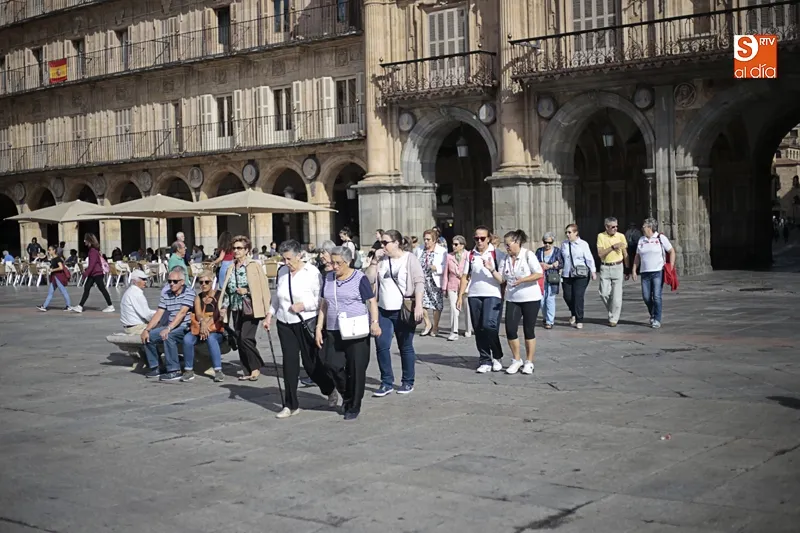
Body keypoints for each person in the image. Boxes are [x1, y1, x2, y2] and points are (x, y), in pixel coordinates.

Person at [265, 240, 338, 418]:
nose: (286, 262)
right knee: (289, 364)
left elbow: (320, 300)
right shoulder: (282, 271)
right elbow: (277, 296)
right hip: (285, 322)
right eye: (284, 259)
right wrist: (269, 315)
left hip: (305, 321)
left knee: (311, 364)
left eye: (289, 259)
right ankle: (290, 405)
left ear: (299, 255)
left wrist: (303, 306)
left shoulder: (311, 272)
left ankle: (329, 388)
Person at [315, 246, 380, 420]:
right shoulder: (327, 278)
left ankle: (354, 405)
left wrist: (375, 323)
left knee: (356, 368)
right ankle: (347, 394)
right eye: (332, 262)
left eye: (338, 263)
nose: (334, 266)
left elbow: (372, 301)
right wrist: (318, 328)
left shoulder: (359, 278)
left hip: (355, 329)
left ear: (348, 261)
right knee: (330, 364)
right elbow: (324, 304)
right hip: (333, 329)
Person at [365, 229, 424, 397]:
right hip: (383, 310)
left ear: (396, 243)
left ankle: (407, 381)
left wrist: (418, 305)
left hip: (403, 309)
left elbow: (419, 282)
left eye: (385, 243)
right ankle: (386, 382)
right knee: (381, 345)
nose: (382, 246)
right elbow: (368, 278)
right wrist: (374, 260)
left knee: (405, 346)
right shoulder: (381, 260)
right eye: (381, 243)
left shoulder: (409, 259)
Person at [490, 230, 543, 375]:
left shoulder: (528, 255)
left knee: (528, 330)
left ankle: (529, 362)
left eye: (508, 244)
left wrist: (523, 280)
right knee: (510, 329)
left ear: (517, 242)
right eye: (505, 245)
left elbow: (539, 273)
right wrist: (492, 270)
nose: (506, 247)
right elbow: (502, 279)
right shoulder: (506, 259)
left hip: (530, 298)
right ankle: (516, 359)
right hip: (513, 298)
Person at [219, 235, 271, 381]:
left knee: (245, 338)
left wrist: (247, 291)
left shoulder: (254, 265)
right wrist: (224, 306)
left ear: (246, 250)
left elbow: (262, 287)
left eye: (239, 248)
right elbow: (228, 290)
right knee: (239, 338)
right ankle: (247, 369)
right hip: (236, 307)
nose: (236, 251)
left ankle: (256, 367)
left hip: (251, 307)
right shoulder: (231, 267)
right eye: (234, 248)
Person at [456, 225, 506, 373]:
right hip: (474, 294)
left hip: (493, 294)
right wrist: (460, 296)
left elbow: (503, 278)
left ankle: (497, 355)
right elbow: (465, 276)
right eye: (476, 238)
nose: (479, 241)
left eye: (482, 238)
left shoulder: (497, 254)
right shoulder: (471, 255)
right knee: (478, 328)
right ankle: (484, 359)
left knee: (489, 325)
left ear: (488, 238)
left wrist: (491, 268)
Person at [140, 266, 196, 381]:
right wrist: (147, 329)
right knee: (148, 336)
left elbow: (182, 313)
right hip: (171, 326)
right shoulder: (166, 294)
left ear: (182, 282)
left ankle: (174, 370)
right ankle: (156, 367)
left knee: (168, 336)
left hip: (185, 326)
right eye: (169, 281)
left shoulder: (189, 292)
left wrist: (169, 328)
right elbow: (158, 313)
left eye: (175, 281)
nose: (171, 284)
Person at [632, 218, 676, 329]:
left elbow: (671, 251)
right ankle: (652, 312)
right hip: (645, 272)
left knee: (656, 296)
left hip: (657, 271)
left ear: (650, 227)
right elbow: (637, 256)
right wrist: (634, 269)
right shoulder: (641, 240)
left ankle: (657, 319)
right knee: (646, 297)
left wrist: (671, 265)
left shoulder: (660, 238)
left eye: (644, 226)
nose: (642, 228)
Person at [182, 270, 226, 382]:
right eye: (200, 282)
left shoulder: (219, 295)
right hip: (200, 327)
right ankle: (188, 370)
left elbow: (217, 314)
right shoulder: (198, 297)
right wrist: (202, 324)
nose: (203, 285)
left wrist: (205, 326)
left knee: (211, 338)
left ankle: (218, 370)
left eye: (207, 282)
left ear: (212, 283)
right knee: (187, 339)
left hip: (215, 328)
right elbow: (198, 313)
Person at [561, 224, 596, 329]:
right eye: (566, 232)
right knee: (567, 296)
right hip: (567, 274)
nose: (567, 234)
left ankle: (579, 319)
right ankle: (573, 312)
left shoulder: (583, 244)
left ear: (576, 233)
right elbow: (561, 257)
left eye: (569, 232)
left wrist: (593, 271)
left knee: (578, 296)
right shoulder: (564, 244)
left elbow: (589, 258)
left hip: (581, 274)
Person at [70, 233, 114, 313]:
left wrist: (85, 274)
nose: (84, 241)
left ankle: (110, 306)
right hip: (94, 273)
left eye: (85, 239)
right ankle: (80, 306)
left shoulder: (93, 251)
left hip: (96, 273)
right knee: (87, 288)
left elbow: (92, 264)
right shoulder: (93, 250)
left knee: (102, 289)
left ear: (89, 241)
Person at [596, 216, 629, 327]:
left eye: (616, 226)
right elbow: (600, 254)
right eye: (612, 227)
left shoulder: (621, 236)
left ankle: (613, 318)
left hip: (618, 267)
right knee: (603, 293)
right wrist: (613, 247)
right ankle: (613, 310)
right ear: (606, 227)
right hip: (605, 267)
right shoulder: (601, 236)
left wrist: (627, 268)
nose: (615, 229)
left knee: (617, 296)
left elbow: (625, 253)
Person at [415, 229, 446, 337]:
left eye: (428, 239)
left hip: (434, 280)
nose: (426, 242)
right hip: (422, 280)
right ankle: (427, 324)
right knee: (421, 302)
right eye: (425, 239)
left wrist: (436, 268)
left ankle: (436, 326)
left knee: (436, 304)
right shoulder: (419, 249)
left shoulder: (442, 251)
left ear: (434, 240)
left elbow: (445, 266)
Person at [442, 235, 472, 341]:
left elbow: (472, 270)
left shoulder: (469, 255)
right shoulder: (449, 256)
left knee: (466, 308)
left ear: (462, 245)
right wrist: (444, 288)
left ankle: (468, 328)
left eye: (456, 244)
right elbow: (446, 273)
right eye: (453, 244)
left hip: (466, 285)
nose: (453, 246)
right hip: (452, 284)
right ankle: (454, 331)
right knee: (454, 308)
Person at [536, 232, 563, 329]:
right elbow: (534, 262)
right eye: (545, 242)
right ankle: (545, 316)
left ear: (553, 242)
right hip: (541, 277)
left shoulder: (557, 251)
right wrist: (541, 264)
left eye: (549, 242)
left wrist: (552, 265)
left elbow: (561, 264)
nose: (547, 244)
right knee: (542, 299)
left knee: (550, 299)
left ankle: (549, 321)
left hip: (552, 276)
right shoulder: (539, 251)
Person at [119, 270, 156, 334]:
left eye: (145, 279)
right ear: (134, 281)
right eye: (143, 279)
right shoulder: (136, 293)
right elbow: (146, 315)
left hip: (130, 326)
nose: (145, 281)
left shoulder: (130, 291)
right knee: (165, 330)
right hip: (136, 328)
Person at [37, 246, 72, 312]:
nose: (48, 251)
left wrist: (52, 270)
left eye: (50, 250)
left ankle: (69, 306)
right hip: (54, 278)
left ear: (54, 250)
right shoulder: (53, 259)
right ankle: (44, 306)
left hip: (58, 277)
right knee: (50, 292)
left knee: (63, 291)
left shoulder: (57, 259)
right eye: (48, 250)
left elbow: (61, 267)